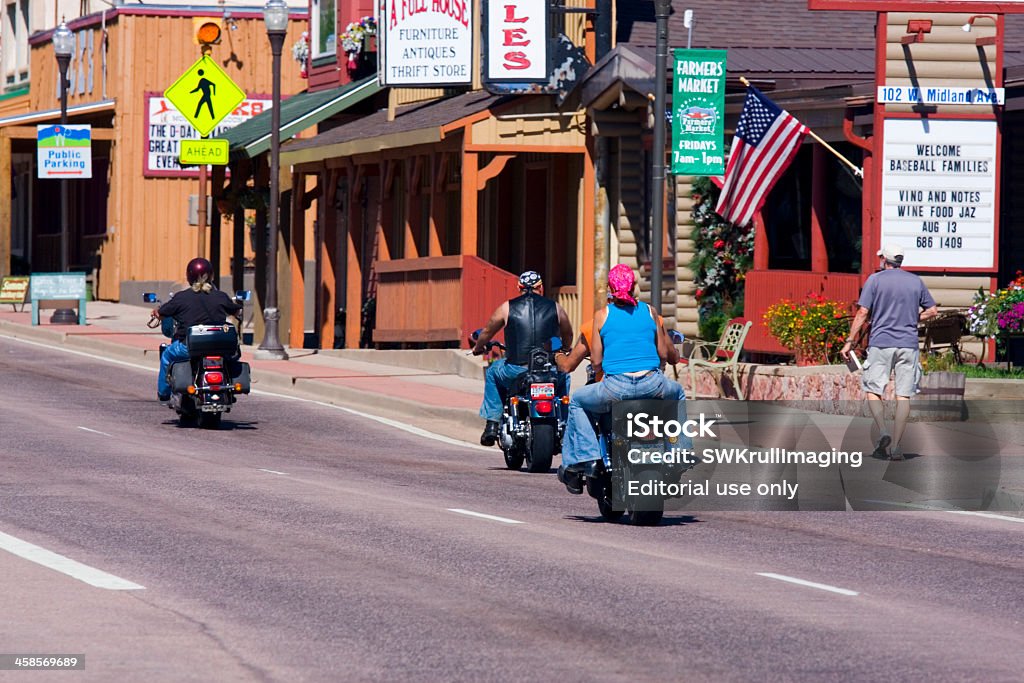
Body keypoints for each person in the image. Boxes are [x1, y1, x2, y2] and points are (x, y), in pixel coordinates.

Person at [558, 265, 684, 493]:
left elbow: (596, 361)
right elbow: (665, 354)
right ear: (634, 287)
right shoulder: (650, 312)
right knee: (678, 393)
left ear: (609, 289)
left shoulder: (601, 316)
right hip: (652, 383)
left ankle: (588, 458)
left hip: (616, 387)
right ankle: (679, 451)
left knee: (577, 401)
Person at [841, 244, 937, 460]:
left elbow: (863, 312)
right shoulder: (915, 281)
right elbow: (932, 310)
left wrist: (849, 341)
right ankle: (896, 447)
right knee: (903, 395)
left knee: (872, 388)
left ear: (885, 259)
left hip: (881, 343)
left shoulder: (875, 280)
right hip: (908, 344)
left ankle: (883, 431)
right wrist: (913, 318)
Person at [473, 271, 574, 446]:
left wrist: (478, 347)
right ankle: (564, 423)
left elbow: (488, 331)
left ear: (519, 287)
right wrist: (564, 349)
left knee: (492, 372)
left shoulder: (507, 307)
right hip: (547, 369)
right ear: (540, 287)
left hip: (516, 369)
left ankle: (492, 424)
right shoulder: (555, 307)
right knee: (564, 376)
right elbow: (568, 333)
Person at [152, 257, 243, 402]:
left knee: (167, 356)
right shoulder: (220, 296)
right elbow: (237, 311)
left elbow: (162, 312)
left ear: (189, 276)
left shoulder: (181, 297)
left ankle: (164, 393)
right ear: (211, 276)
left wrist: (157, 312)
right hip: (220, 348)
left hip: (189, 347)